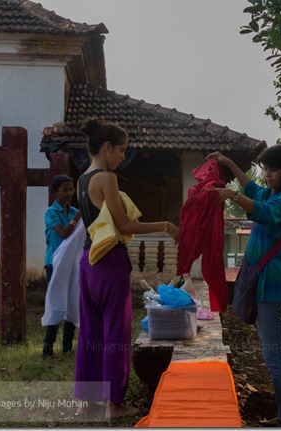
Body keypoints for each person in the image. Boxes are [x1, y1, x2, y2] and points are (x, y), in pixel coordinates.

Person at [74, 118, 179, 419]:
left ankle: (86, 401)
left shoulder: (83, 178)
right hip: (109, 262)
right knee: (115, 333)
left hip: (88, 262)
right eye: (121, 150)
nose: (122, 157)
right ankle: (113, 404)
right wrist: (165, 224)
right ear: (106, 147)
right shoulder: (107, 178)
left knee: (90, 332)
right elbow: (123, 225)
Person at [206, 145, 281, 427]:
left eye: (273, 169)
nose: (268, 175)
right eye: (265, 170)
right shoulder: (272, 192)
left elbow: (264, 212)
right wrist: (229, 165)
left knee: (274, 356)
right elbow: (253, 190)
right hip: (259, 282)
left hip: (272, 287)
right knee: (270, 353)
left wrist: (231, 195)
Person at [42, 174, 83, 360]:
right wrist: (77, 217)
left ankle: (67, 346)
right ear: (55, 192)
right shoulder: (51, 213)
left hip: (72, 264)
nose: (69, 193)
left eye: (71, 189)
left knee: (72, 301)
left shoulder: (73, 210)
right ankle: (47, 349)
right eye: (65, 189)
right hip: (55, 263)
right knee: (57, 302)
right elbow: (64, 234)